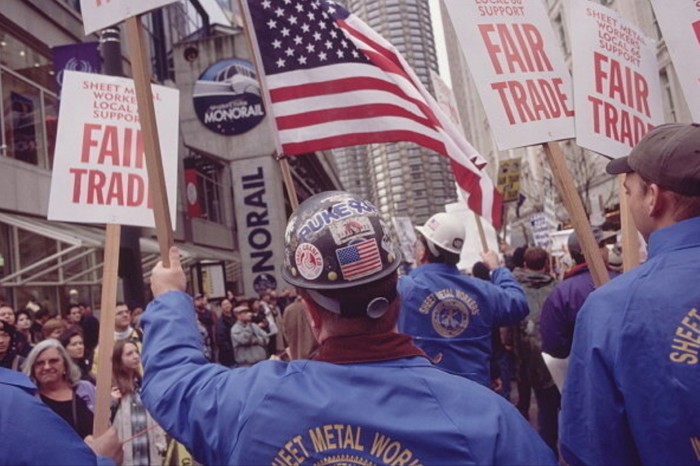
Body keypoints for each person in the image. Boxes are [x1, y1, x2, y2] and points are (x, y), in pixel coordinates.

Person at [139, 191, 556, 465]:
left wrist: (171, 297)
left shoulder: (251, 400)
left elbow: (171, 381)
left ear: (308, 309)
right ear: (400, 294)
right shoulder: (488, 421)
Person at [560, 123, 700, 465]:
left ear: (653, 197)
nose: (629, 199)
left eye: (629, 191)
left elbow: (591, 452)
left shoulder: (612, 308)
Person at [397, 212, 529, 387]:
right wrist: (497, 269)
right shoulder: (482, 291)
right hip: (475, 396)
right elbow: (518, 303)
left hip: (426, 396)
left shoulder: (403, 289)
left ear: (422, 252)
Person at [0, 366, 122, 465]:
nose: (47, 367)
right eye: (41, 362)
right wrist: (101, 460)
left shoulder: (83, 388)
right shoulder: (14, 404)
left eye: (54, 361)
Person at [539, 226, 618, 359]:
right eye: (602, 244)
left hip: (587, 371)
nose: (607, 249)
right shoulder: (623, 279)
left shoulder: (561, 293)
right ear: (590, 250)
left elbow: (554, 346)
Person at [512, 247, 560, 454]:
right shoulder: (557, 288)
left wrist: (508, 345)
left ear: (525, 264)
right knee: (550, 405)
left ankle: (547, 451)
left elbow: (507, 323)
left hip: (526, 356)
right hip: (552, 356)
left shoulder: (515, 291)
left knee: (543, 407)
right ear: (546, 264)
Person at [23, 339, 96, 439]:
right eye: (39, 363)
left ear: (65, 364)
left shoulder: (86, 388)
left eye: (53, 361)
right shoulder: (27, 398)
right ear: (33, 369)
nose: (47, 367)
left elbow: (105, 425)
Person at [111, 340, 166, 465]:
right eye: (129, 354)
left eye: (136, 352)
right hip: (126, 452)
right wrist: (112, 402)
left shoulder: (143, 384)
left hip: (148, 448)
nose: (136, 356)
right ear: (118, 359)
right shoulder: (112, 388)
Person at [282, 295, 319, 360]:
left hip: (298, 360)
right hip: (316, 358)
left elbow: (286, 336)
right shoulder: (316, 306)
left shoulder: (288, 310)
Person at [214, 297, 236, 367]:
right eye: (224, 304)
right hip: (228, 357)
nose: (227, 306)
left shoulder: (235, 317)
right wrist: (232, 351)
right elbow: (221, 341)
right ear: (221, 307)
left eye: (228, 303)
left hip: (238, 354)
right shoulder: (220, 322)